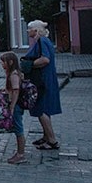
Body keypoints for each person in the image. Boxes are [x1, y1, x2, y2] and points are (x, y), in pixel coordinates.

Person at [24, 19, 61, 150]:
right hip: (46, 78)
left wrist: (30, 64)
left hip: (42, 80)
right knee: (44, 108)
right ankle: (46, 136)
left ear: (36, 30)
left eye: (30, 28)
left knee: (41, 109)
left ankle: (51, 139)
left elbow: (45, 59)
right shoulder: (45, 41)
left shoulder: (41, 41)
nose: (28, 31)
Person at [0, 52, 27, 164]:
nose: (2, 64)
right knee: (17, 128)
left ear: (10, 62)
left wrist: (12, 105)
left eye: (3, 62)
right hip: (16, 104)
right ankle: (20, 153)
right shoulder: (15, 73)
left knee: (18, 129)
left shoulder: (13, 74)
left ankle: (20, 154)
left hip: (15, 105)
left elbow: (16, 90)